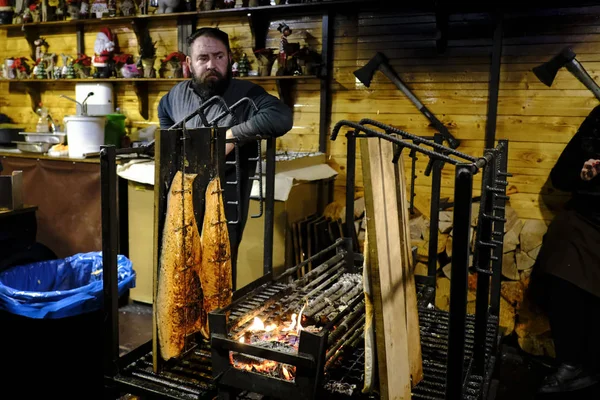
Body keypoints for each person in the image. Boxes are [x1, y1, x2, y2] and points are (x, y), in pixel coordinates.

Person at [157, 27, 293, 286]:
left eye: (219, 57)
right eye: (203, 58)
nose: (212, 65)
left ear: (229, 58)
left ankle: (216, 323)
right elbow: (164, 116)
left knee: (217, 275)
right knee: (180, 273)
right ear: (189, 63)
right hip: (181, 198)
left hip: (226, 201)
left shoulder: (247, 95)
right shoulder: (174, 97)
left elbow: (281, 117)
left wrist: (231, 136)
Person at [528, 105, 600, 394]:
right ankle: (570, 362)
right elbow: (560, 176)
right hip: (586, 218)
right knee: (561, 259)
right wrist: (583, 173)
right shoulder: (599, 119)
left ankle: (593, 364)